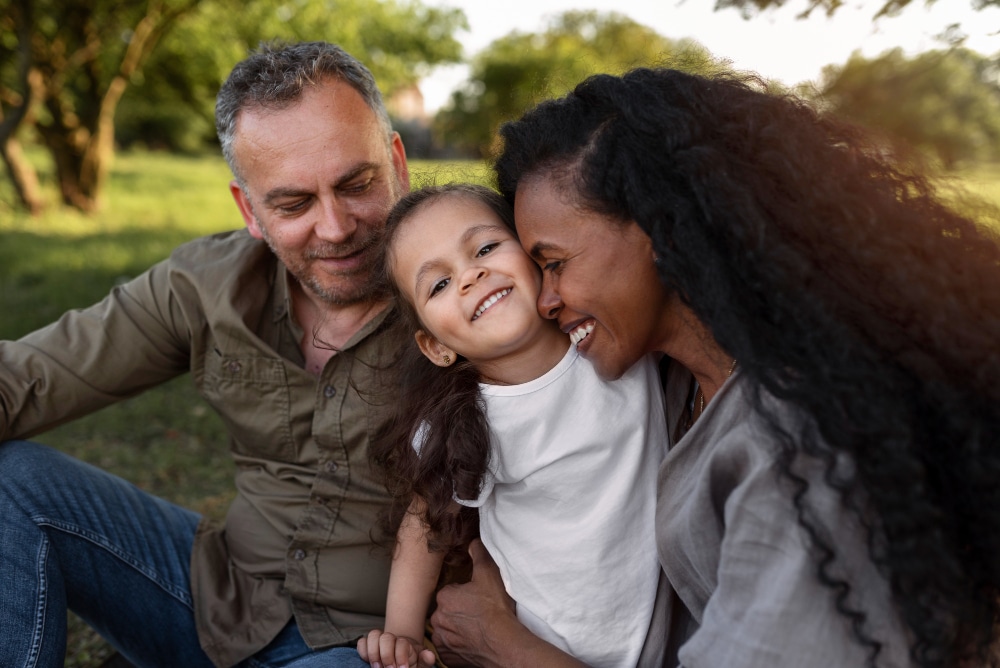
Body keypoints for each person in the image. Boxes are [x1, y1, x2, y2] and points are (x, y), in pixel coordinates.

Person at [429, 68, 1000, 668]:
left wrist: (501, 643)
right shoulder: (672, 379)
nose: (545, 301)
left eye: (554, 263)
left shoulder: (801, 448)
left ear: (660, 228)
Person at [0, 41, 411, 667]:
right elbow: (30, 377)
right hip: (216, 600)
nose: (334, 227)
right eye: (294, 203)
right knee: (13, 483)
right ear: (250, 209)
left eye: (356, 185)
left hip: (371, 647)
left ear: (398, 164)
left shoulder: (477, 286)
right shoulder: (206, 285)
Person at [354, 184, 668, 668]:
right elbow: (424, 522)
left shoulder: (611, 331)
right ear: (436, 346)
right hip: (539, 647)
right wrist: (403, 630)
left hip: (663, 640)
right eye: (438, 284)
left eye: (485, 248)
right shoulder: (467, 420)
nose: (470, 275)